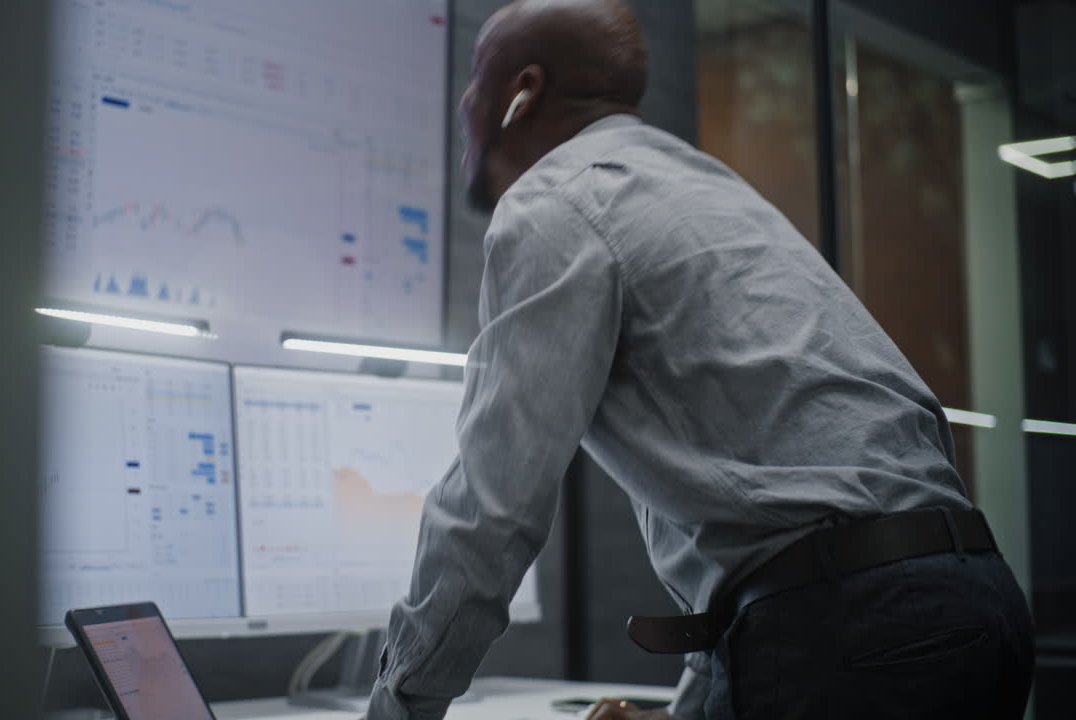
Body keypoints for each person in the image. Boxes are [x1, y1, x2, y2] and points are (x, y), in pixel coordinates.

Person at [363, 1, 1034, 718]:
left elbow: (492, 504)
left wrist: (399, 705)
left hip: (858, 630)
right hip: (977, 604)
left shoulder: (556, 202)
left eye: (474, 80)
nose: (464, 105)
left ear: (520, 93)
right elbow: (772, 519)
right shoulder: (708, 190)